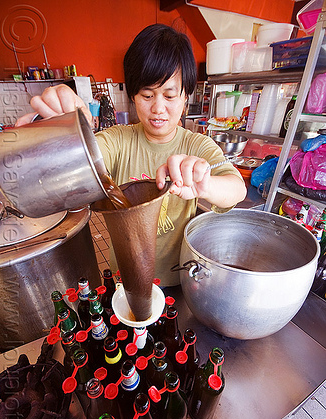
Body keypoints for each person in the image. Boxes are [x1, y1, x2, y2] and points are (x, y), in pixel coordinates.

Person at [16, 24, 246, 287]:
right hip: (125, 280)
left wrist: (205, 184)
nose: (158, 108)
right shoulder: (117, 141)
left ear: (185, 97)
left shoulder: (197, 145)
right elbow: (77, 162)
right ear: (133, 95)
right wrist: (59, 138)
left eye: (170, 96)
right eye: (147, 95)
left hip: (179, 279)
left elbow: (236, 188)